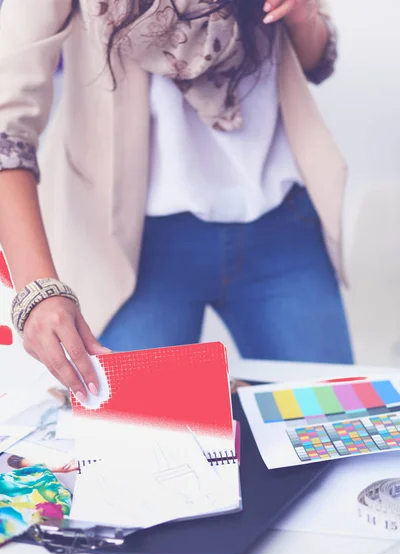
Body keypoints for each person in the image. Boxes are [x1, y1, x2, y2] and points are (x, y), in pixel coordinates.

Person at [0, 0, 353, 405]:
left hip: (282, 227)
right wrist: (38, 292)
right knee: (143, 449)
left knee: (335, 433)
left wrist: (305, 16)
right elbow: (7, 126)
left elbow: (317, 61)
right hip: (130, 250)